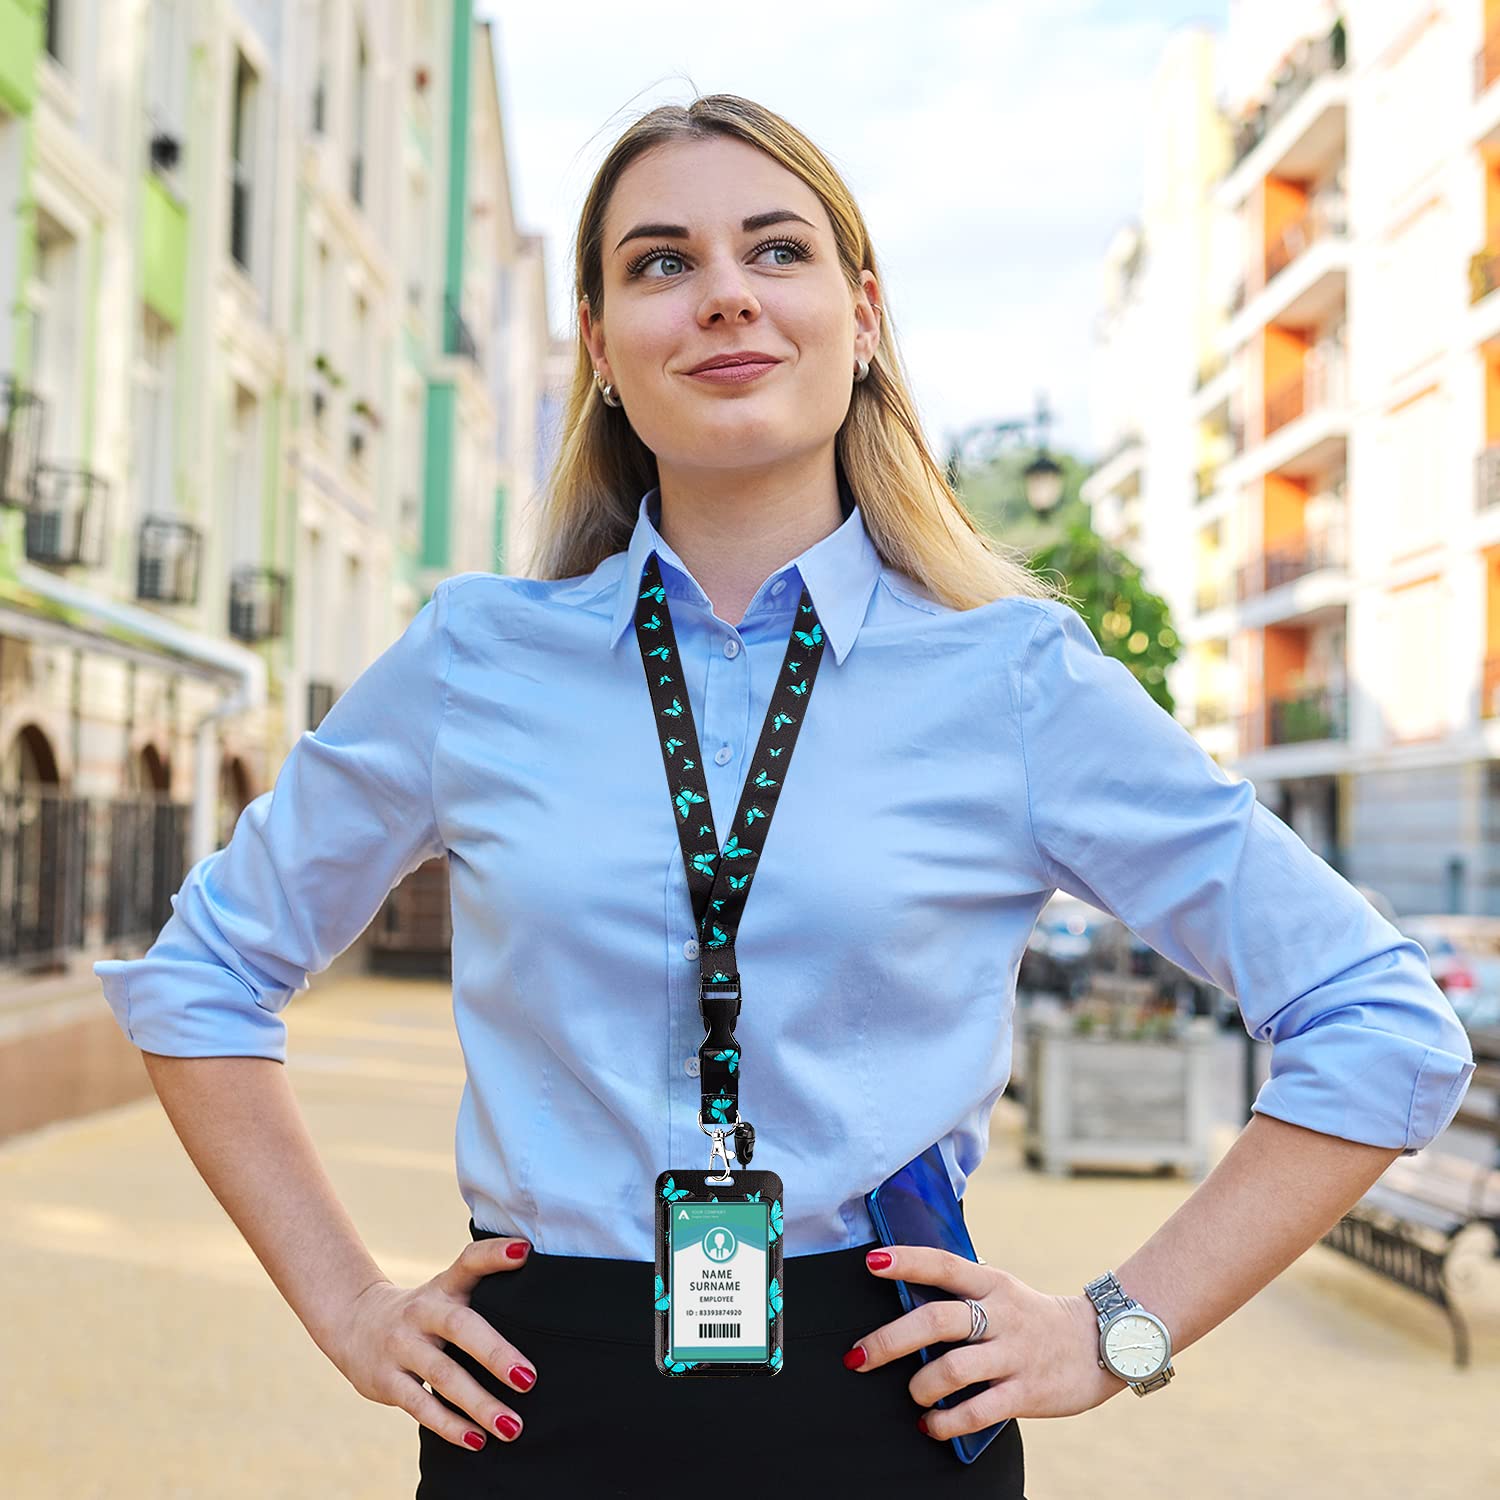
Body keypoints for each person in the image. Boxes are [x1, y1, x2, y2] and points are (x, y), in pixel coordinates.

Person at [95, 92, 1476, 1498]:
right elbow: (204, 975)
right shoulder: (476, 660)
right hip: (537, 1412)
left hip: (888, 1413)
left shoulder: (1013, 678)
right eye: (660, 263)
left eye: (775, 249)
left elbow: (1376, 1025)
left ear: (860, 316)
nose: (724, 299)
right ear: (600, 346)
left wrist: (1115, 1331)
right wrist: (346, 1306)